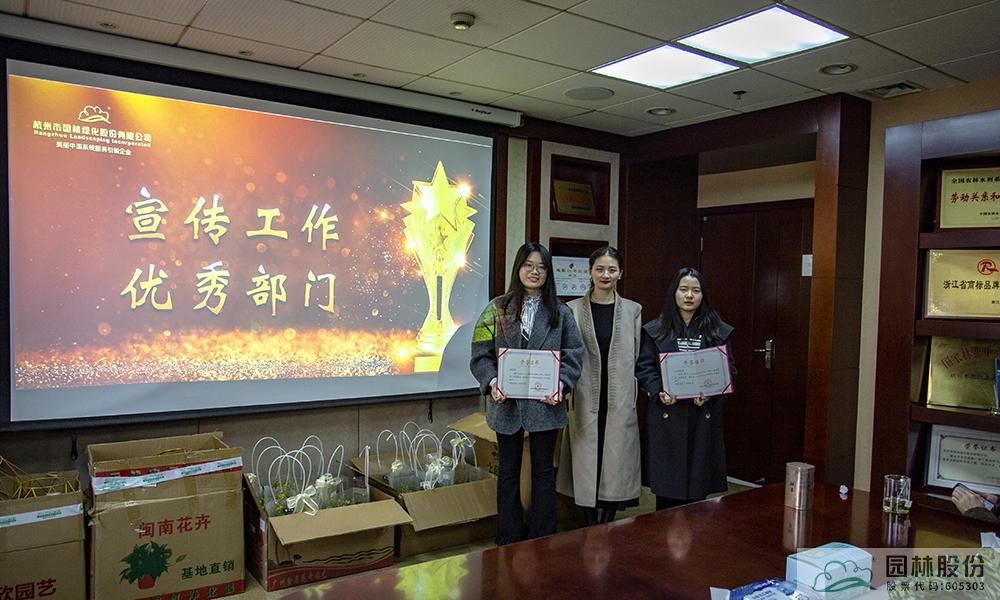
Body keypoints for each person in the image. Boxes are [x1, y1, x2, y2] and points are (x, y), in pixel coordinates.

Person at [470, 242, 584, 545]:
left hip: (546, 405)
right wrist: (492, 381)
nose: (535, 272)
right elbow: (480, 352)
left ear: (548, 273)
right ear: (518, 268)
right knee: (508, 472)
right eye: (528, 265)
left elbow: (574, 353)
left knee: (544, 473)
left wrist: (561, 384)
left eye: (541, 267)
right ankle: (508, 536)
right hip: (505, 404)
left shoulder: (561, 312)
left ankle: (542, 535)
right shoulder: (496, 308)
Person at [636, 267, 735, 510]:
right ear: (674, 293)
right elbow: (644, 368)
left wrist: (710, 393)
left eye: (695, 290)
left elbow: (728, 370)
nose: (689, 295)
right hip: (667, 414)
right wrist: (659, 391)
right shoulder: (656, 329)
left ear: (703, 295)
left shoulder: (717, 330)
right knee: (667, 489)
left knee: (698, 489)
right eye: (683, 289)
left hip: (702, 416)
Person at [556, 246, 641, 525]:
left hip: (619, 396)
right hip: (584, 394)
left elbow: (638, 355)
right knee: (584, 454)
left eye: (612, 270)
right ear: (590, 272)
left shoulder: (633, 310)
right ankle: (589, 520)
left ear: (621, 273)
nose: (606, 275)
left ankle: (608, 518)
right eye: (600, 269)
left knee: (616, 456)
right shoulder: (571, 310)